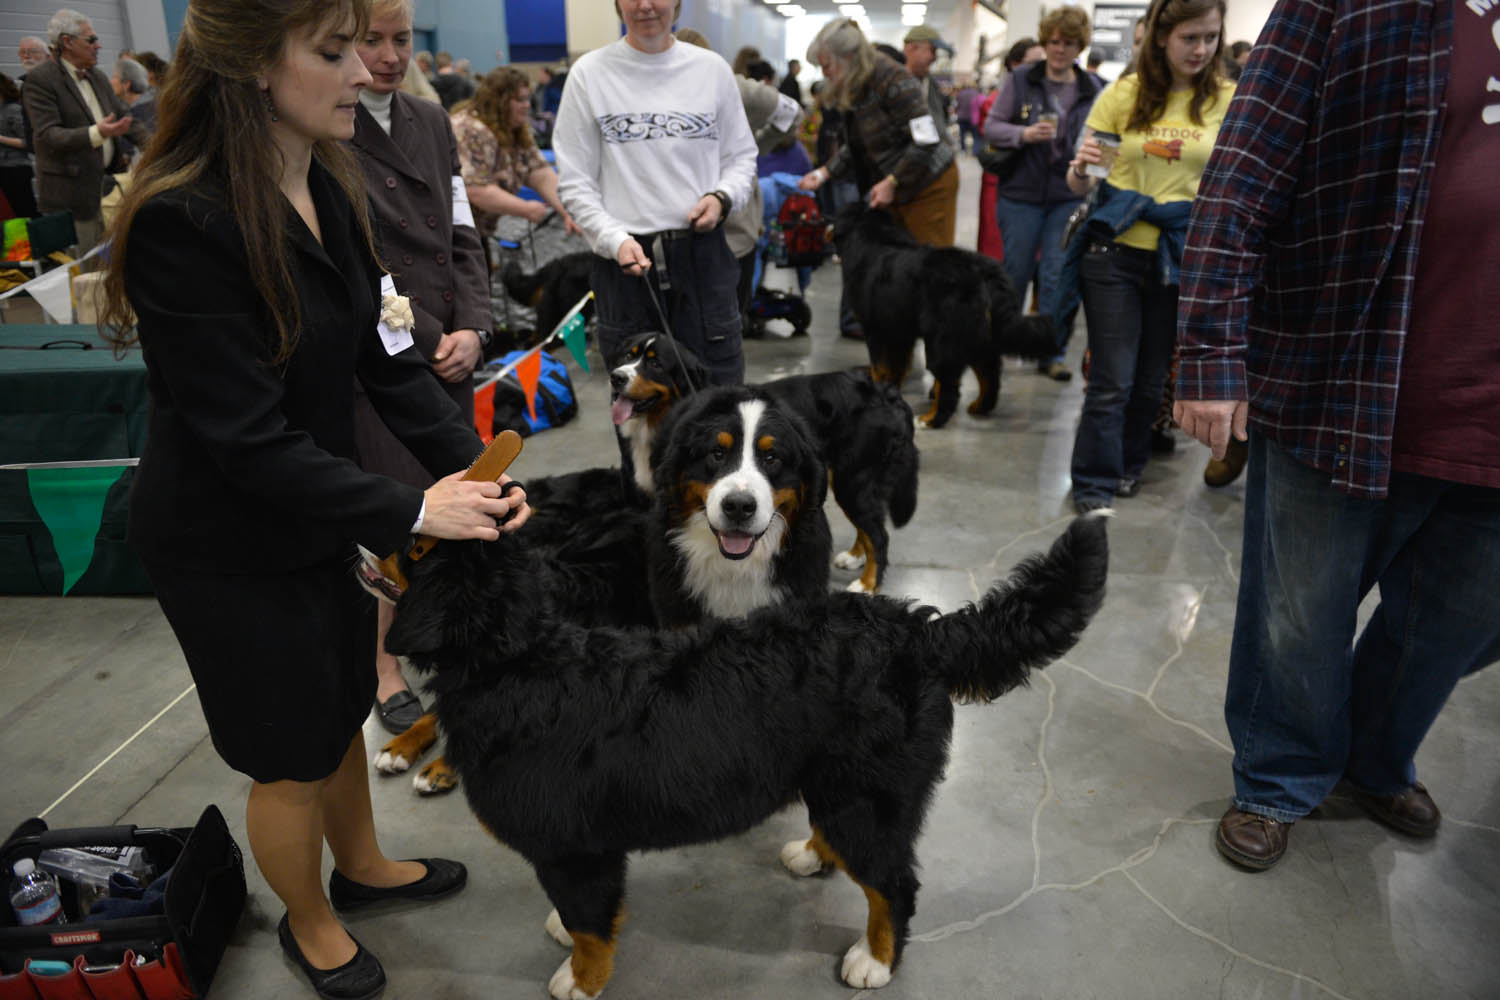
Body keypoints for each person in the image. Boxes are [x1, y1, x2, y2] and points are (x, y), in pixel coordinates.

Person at [99, 2, 530, 997]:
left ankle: (366, 867)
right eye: (333, 53)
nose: (363, 71)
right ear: (256, 68)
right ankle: (310, 915)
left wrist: (474, 469)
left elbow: (389, 363)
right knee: (287, 751)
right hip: (224, 543)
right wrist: (417, 512)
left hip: (315, 512)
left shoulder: (326, 185)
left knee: (339, 705)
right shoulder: (183, 221)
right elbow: (246, 441)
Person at [1175, 0, 1499, 872]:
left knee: (1456, 624)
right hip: (1347, 377)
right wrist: (1210, 353)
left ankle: (1372, 757)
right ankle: (1281, 775)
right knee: (1299, 614)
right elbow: (1241, 174)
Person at [351, 0, 497, 737]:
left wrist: (474, 321)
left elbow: (461, 229)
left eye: (401, 39)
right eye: (371, 40)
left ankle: (443, 636)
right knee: (396, 510)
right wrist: (435, 333)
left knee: (456, 504)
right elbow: (355, 261)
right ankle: (383, 664)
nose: (388, 54)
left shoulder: (432, 121)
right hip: (384, 355)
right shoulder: (328, 125)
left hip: (452, 350)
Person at [1063, 0, 1234, 514]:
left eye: (1209, 37)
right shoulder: (1124, 95)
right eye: (1189, 38)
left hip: (1182, 256)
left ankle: (1129, 466)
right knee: (1112, 377)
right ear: (1162, 36)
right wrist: (1080, 167)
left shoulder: (1228, 99)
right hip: (1113, 253)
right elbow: (1083, 184)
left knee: (1151, 378)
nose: (1200, 49)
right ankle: (1092, 481)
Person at [552, 0, 757, 385]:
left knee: (718, 402)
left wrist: (722, 198)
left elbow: (742, 158)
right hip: (627, 267)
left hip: (703, 259)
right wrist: (614, 240)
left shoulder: (711, 71)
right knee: (640, 421)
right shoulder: (589, 74)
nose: (645, 5)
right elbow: (575, 181)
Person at [981, 4, 1099, 382]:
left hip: (1067, 196)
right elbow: (992, 127)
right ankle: (998, 346)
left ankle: (1051, 352)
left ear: (1080, 46)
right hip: (1021, 193)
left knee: (1056, 276)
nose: (1059, 49)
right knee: (1013, 274)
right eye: (1053, 42)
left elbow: (1104, 140)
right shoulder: (1021, 80)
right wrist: (1024, 134)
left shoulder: (1094, 89)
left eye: (1067, 43)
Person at [798, 18, 958, 247]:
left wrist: (893, 181)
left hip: (929, 184)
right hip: (900, 183)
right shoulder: (857, 83)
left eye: (827, 66)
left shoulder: (893, 79)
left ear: (848, 58)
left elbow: (927, 140)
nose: (825, 75)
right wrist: (824, 173)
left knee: (929, 267)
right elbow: (860, 142)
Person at [23, 8, 150, 253]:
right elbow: (49, 135)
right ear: (67, 42)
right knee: (87, 271)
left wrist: (160, 149)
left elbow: (128, 121)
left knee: (118, 262)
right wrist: (97, 133)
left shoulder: (98, 77)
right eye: (91, 40)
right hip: (72, 198)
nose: (98, 45)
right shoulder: (40, 80)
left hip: (109, 192)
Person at [451, 66, 578, 242]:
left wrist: (568, 210)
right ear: (499, 102)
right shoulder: (468, 129)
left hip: (479, 233)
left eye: (527, 99)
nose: (527, 105)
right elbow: (475, 189)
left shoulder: (514, 128)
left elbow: (538, 172)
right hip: (451, 235)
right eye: (520, 100)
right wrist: (525, 209)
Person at [0, 74, 37, 218]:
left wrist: (1, 138)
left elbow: (28, 142)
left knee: (25, 210)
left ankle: (36, 239)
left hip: (16, 169)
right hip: (3, 168)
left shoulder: (13, 109)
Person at [110, 56, 155, 136]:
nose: (111, 81)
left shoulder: (136, 115)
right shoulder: (151, 103)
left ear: (126, 84)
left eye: (114, 77)